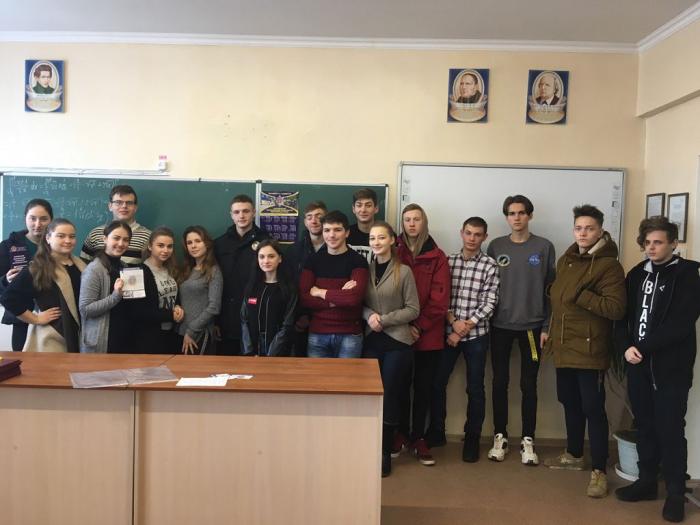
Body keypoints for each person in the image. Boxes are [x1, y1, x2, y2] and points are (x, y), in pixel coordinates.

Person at [614, 216, 700, 523]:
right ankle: (647, 482)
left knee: (670, 429)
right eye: (647, 243)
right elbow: (623, 317)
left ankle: (675, 493)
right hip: (638, 365)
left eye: (658, 242)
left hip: (670, 369)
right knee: (645, 426)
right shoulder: (637, 273)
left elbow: (682, 322)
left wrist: (644, 348)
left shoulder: (688, 275)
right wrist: (626, 347)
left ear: (673, 243)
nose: (651, 248)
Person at [543, 204, 626, 499]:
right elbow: (559, 303)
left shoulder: (609, 266)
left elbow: (616, 309)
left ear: (600, 231)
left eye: (589, 228)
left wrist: (583, 295)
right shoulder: (567, 259)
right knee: (569, 402)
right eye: (578, 228)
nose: (583, 233)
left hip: (590, 350)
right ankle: (574, 454)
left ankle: (599, 470)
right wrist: (549, 331)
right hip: (564, 346)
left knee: (593, 409)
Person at [485, 195, 555, 466]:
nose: (517, 217)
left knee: (529, 384)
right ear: (506, 217)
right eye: (512, 213)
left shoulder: (544, 247)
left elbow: (551, 290)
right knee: (499, 382)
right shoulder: (496, 246)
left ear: (530, 216)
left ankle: (528, 440)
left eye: (522, 213)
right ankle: (499, 437)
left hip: (532, 329)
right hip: (500, 327)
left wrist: (546, 325)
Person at [431, 217, 499, 462]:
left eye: (477, 234)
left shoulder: (490, 265)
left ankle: (472, 438)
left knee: (475, 388)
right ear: (461, 233)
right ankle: (437, 432)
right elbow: (441, 297)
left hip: (476, 336)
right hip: (448, 332)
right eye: (468, 233)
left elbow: (490, 303)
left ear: (485, 237)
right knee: (437, 383)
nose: (472, 238)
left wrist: (461, 329)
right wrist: (453, 322)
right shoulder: (448, 262)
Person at [393, 203, 450, 467]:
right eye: (407, 219)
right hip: (398, 332)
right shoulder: (394, 250)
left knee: (424, 388)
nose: (412, 224)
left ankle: (419, 437)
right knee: (400, 386)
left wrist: (419, 326)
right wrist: (404, 325)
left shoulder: (437, 256)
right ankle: (400, 435)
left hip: (428, 335)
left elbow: (440, 299)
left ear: (424, 222)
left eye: (416, 219)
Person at [363, 221, 420, 477]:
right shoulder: (365, 270)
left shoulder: (404, 271)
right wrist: (369, 316)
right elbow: (360, 303)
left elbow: (413, 309)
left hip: (397, 340)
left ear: (391, 241)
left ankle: (385, 452)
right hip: (371, 340)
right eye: (372, 238)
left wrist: (384, 320)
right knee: (371, 396)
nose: (376, 242)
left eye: (381, 238)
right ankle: (370, 448)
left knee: (390, 395)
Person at [1, 219, 85, 353]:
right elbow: (8, 298)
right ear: (48, 238)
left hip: (81, 335)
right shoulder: (38, 268)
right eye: (61, 236)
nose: (68, 240)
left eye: (72, 236)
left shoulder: (82, 265)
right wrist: (36, 318)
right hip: (53, 338)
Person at [299, 211, 369, 358]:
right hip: (317, 334)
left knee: (348, 375)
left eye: (337, 230)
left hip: (350, 335)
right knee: (317, 375)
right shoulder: (312, 261)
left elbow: (353, 298)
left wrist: (320, 292)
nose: (331, 235)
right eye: (327, 230)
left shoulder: (358, 261)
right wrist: (338, 297)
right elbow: (305, 298)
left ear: (347, 233)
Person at [214, 194, 269, 355]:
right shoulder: (220, 243)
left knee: (254, 366)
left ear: (254, 213)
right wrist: (215, 320)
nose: (241, 216)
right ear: (231, 215)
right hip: (226, 318)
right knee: (227, 365)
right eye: (237, 212)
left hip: (256, 315)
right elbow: (214, 283)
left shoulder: (266, 241)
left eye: (246, 211)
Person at [0, 198, 53, 351]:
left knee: (51, 359)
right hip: (21, 317)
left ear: (51, 220)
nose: (38, 224)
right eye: (33, 218)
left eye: (43, 219)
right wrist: (5, 280)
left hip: (50, 314)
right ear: (25, 218)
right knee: (22, 358)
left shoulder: (57, 245)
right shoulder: (8, 246)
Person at [79, 221, 133, 353]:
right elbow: (86, 310)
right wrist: (115, 296)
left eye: (125, 240)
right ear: (105, 239)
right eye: (116, 238)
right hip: (102, 343)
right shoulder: (94, 269)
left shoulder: (124, 267)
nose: (121, 243)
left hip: (123, 338)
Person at [129, 227, 184, 354]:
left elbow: (172, 295)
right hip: (147, 338)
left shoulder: (170, 269)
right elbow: (136, 312)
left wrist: (177, 306)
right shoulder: (136, 272)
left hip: (170, 335)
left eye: (169, 246)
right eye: (160, 245)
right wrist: (170, 315)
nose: (165, 250)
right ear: (150, 246)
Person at [241, 240, 297, 357]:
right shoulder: (251, 287)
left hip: (279, 352)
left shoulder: (289, 289)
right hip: (252, 352)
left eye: (271, 256)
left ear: (280, 258)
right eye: (261, 257)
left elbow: (287, 324)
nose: (266, 261)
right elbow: (244, 319)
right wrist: (249, 351)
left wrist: (271, 354)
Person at [284, 201, 326, 356]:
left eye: (318, 216)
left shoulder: (336, 248)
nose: (314, 221)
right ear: (305, 222)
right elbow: (290, 286)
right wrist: (300, 316)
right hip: (299, 322)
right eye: (309, 217)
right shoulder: (293, 251)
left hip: (328, 320)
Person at [80, 184, 151, 266]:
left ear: (135, 207)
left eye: (129, 203)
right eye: (118, 202)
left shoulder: (147, 237)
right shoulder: (95, 234)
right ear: (110, 206)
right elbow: (83, 265)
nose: (124, 206)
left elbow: (152, 269)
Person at [178, 226, 223, 355]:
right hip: (182, 331)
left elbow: (214, 307)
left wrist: (192, 331)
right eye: (189, 243)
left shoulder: (213, 271)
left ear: (206, 243)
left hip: (200, 334)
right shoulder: (187, 269)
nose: (193, 246)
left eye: (198, 241)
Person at [347, 188, 379, 263]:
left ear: (376, 208)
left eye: (368, 205)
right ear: (353, 209)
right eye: (359, 205)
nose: (363, 210)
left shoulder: (387, 235)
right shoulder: (345, 235)